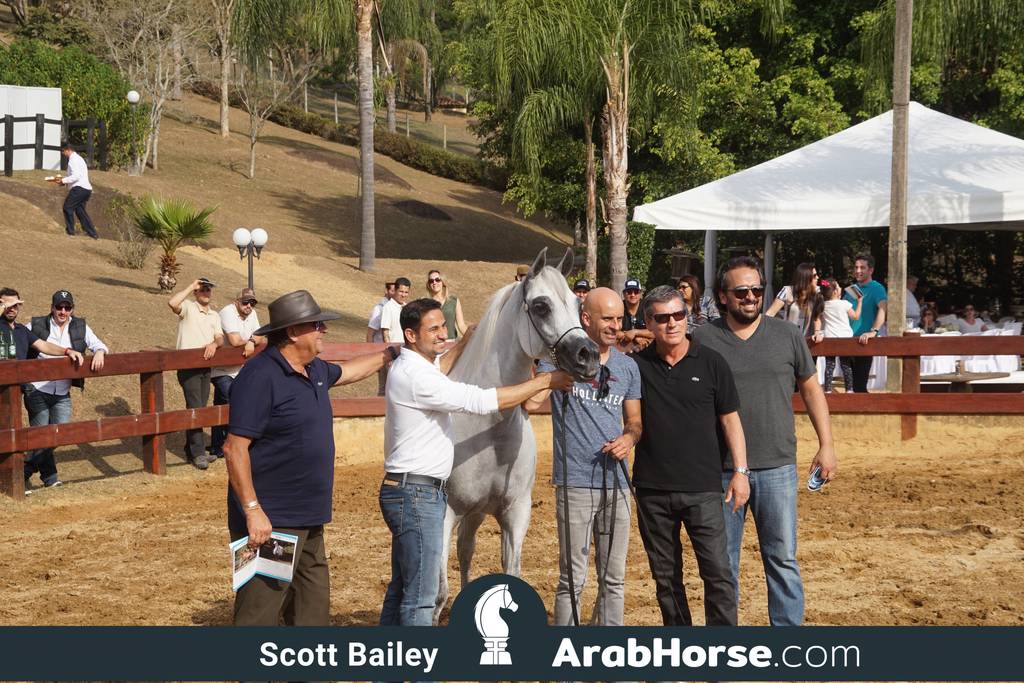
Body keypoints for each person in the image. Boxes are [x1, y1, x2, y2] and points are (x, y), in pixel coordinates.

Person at [380, 298, 573, 626]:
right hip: (418, 495)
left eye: (444, 327)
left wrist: (465, 340)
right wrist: (544, 382)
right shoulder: (417, 377)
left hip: (410, 490)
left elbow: (440, 367)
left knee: (402, 589)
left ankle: (390, 666)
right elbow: (480, 401)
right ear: (411, 336)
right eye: (434, 329)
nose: (443, 335)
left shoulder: (414, 367)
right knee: (423, 597)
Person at [224, 289, 395, 626]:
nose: (324, 330)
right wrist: (254, 512)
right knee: (260, 610)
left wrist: (390, 353)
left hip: (309, 516)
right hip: (273, 521)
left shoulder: (313, 369)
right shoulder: (260, 377)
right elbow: (234, 448)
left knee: (311, 609)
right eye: (317, 325)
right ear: (292, 332)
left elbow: (348, 371)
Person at [694, 256, 837, 626]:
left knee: (783, 560)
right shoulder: (703, 338)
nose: (751, 297)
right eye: (741, 291)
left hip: (778, 466)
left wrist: (827, 444)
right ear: (723, 296)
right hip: (721, 470)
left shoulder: (787, 335)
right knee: (723, 565)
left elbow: (811, 390)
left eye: (757, 290)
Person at [629, 285, 749, 626]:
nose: (672, 323)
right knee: (666, 579)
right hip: (652, 491)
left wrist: (741, 471)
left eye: (678, 315)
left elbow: (730, 420)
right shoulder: (635, 367)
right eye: (662, 317)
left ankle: (722, 654)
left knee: (718, 574)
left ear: (687, 317)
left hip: (703, 490)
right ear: (648, 323)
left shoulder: (712, 363)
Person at [524, 287, 642, 626]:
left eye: (619, 319)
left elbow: (635, 423)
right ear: (586, 319)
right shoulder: (559, 361)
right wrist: (548, 380)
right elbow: (530, 404)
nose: (615, 326)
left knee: (614, 579)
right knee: (572, 580)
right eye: (607, 318)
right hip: (575, 482)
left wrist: (628, 440)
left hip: (618, 483)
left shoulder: (628, 367)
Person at [0, 288, 86, 491]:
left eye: (15, 305)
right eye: (6, 304)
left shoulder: (22, 330)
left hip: (12, 393)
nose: (11, 308)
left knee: (22, 435)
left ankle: (20, 475)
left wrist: (67, 351)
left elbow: (44, 346)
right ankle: (17, 478)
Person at [24, 289, 108, 489]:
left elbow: (99, 344)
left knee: (58, 433)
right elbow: (19, 340)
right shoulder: (35, 325)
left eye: (67, 307)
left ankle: (24, 470)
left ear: (72, 309)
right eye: (59, 307)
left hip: (62, 391)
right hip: (36, 389)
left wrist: (100, 352)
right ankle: (50, 478)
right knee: (42, 434)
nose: (63, 311)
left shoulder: (80, 327)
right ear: (51, 307)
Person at [168, 277, 224, 470]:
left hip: (205, 366)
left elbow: (220, 337)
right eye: (202, 289)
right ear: (196, 292)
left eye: (208, 289)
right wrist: (191, 285)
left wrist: (214, 344)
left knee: (200, 407)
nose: (205, 292)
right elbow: (172, 303)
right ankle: (198, 453)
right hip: (188, 367)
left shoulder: (214, 315)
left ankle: (191, 449)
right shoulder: (189, 308)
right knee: (195, 408)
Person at [209, 288, 265, 458]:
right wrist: (250, 341)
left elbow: (261, 336)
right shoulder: (228, 312)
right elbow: (234, 341)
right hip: (222, 369)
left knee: (222, 405)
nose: (249, 306)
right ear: (236, 301)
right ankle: (231, 443)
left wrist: (252, 340)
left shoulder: (252, 314)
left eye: (252, 302)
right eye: (245, 302)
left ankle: (217, 445)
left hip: (241, 369)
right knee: (234, 400)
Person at [842, 254, 887, 393]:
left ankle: (866, 413)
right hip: (846, 340)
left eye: (862, 267)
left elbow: (884, 308)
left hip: (864, 341)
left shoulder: (877, 288)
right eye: (856, 267)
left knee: (859, 386)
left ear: (871, 270)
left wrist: (873, 331)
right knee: (849, 387)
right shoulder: (851, 289)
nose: (858, 270)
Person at [819, 279, 862, 393]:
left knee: (829, 365)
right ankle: (849, 389)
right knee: (846, 364)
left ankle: (827, 390)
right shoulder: (845, 304)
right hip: (845, 338)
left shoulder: (824, 305)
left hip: (830, 338)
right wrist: (860, 302)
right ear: (835, 292)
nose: (841, 288)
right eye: (838, 287)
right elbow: (855, 316)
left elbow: (819, 318)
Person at [50, 140, 98, 239]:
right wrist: (63, 182)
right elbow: (76, 176)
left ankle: (70, 232)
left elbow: (76, 176)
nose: (63, 154)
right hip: (86, 189)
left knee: (67, 207)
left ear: (68, 150)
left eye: (63, 151)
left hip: (79, 189)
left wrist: (63, 180)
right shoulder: (79, 159)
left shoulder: (73, 160)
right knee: (80, 211)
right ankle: (92, 233)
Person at [766, 262, 823, 341]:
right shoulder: (788, 291)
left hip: (805, 342)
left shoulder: (816, 294)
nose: (817, 277)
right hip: (787, 340)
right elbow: (770, 314)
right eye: (814, 276)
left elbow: (817, 317)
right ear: (806, 278)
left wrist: (817, 332)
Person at [426, 269, 467, 340]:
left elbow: (461, 325)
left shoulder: (454, 300)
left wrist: (472, 338)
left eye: (437, 279)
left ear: (443, 282)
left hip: (451, 342)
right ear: (429, 284)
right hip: (434, 343)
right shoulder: (425, 303)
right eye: (431, 281)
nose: (434, 282)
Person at [617, 278, 653, 352]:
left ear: (640, 294)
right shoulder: (618, 307)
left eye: (636, 292)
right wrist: (634, 338)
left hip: (646, 348)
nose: (632, 295)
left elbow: (655, 332)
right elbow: (613, 332)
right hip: (624, 349)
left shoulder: (647, 308)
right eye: (629, 292)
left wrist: (635, 333)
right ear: (624, 294)